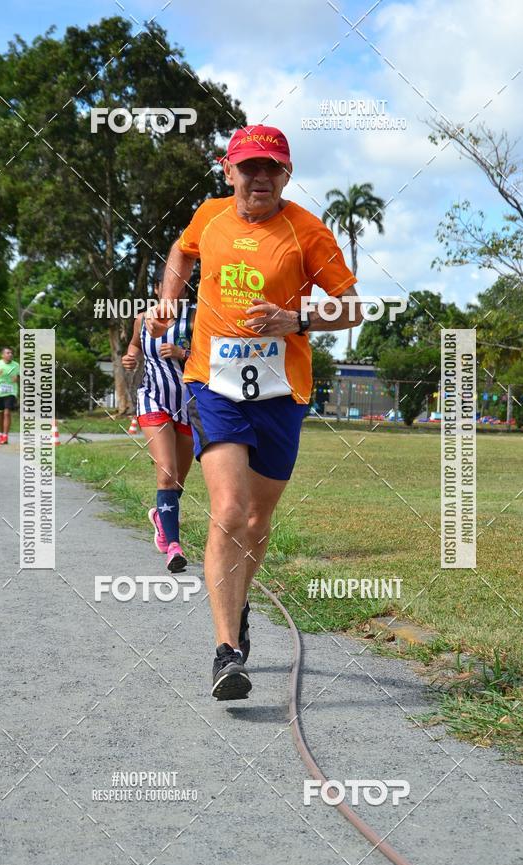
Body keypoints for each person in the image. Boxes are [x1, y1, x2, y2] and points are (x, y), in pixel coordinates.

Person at [146, 125, 363, 700]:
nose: (259, 177)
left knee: (257, 523)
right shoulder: (210, 216)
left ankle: (237, 608)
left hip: (280, 391)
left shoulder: (307, 231)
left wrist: (299, 322)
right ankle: (226, 652)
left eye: (272, 167)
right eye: (249, 167)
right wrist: (170, 298)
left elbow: (353, 306)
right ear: (228, 170)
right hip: (213, 384)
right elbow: (181, 251)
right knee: (228, 510)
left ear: (286, 174)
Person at [122, 266, 195, 572]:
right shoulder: (143, 318)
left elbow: (215, 357)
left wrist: (182, 351)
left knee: (177, 480)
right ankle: (174, 548)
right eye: (166, 284)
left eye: (179, 285)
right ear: (156, 289)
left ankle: (160, 515)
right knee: (166, 473)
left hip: (190, 405)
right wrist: (130, 357)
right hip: (153, 399)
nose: (173, 290)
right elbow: (135, 347)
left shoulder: (196, 318)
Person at [0, 347, 20, 445]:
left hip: (11, 392)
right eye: (8, 353)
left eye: (11, 353)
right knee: (0, 413)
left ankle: (5, 435)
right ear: (2, 355)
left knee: (7, 413)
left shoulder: (16, 365)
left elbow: (20, 377)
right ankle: (1, 434)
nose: (10, 354)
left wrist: (17, 379)